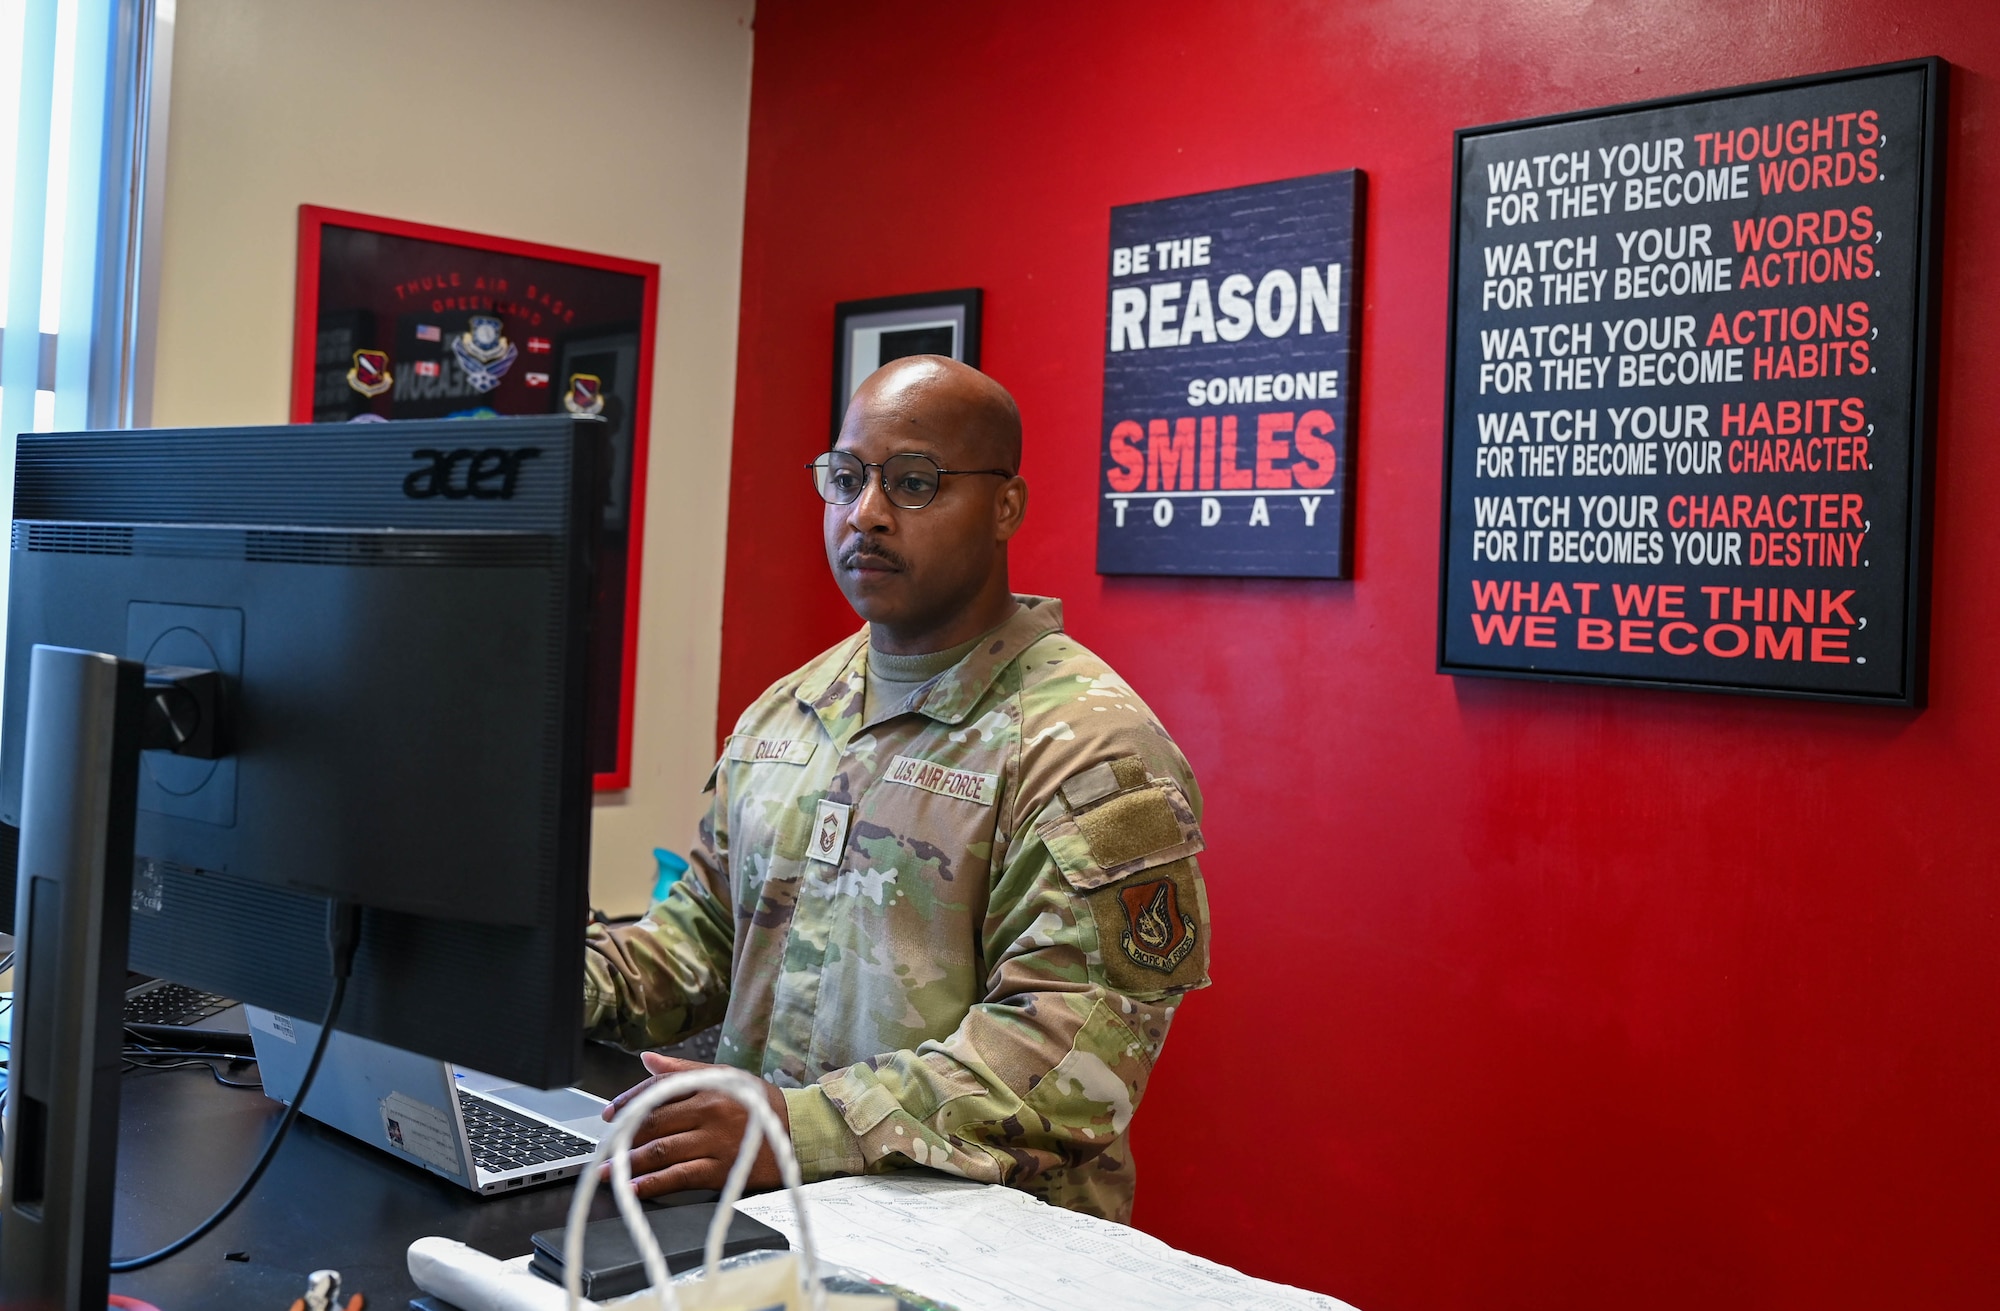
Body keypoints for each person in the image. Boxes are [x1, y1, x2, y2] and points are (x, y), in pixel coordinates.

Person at [582, 355, 1210, 1221]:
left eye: (914, 483)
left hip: (979, 1254)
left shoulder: (1089, 746)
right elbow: (700, 947)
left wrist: (797, 1128)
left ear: (1005, 507)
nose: (866, 514)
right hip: (769, 1228)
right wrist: (535, 971)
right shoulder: (789, 712)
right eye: (846, 478)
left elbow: (1071, 1060)